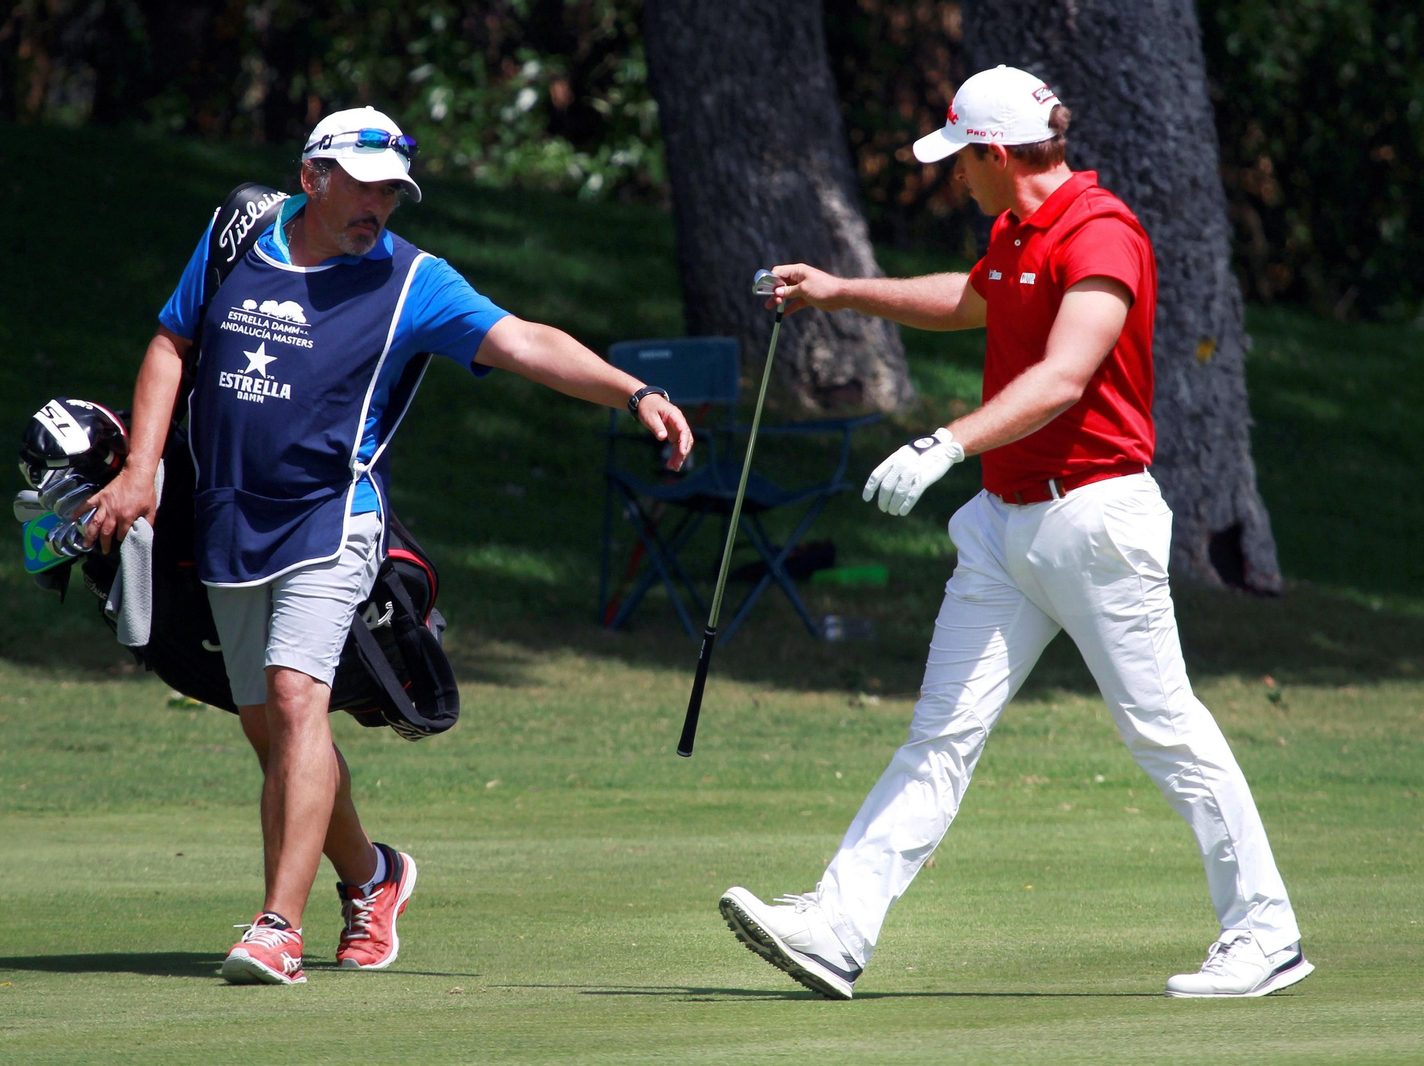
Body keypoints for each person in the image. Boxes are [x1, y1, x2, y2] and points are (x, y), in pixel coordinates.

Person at [718, 66, 1310, 1000]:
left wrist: (944, 441)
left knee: (1162, 730)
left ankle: (1265, 933)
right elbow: (969, 301)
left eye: (961, 159)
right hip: (1004, 527)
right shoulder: (1017, 231)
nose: (954, 175)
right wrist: (838, 291)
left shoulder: (1103, 230)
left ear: (996, 155)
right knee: (939, 735)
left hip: (1095, 518)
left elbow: (1068, 374)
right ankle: (837, 927)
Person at [84, 106, 693, 985]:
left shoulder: (414, 282)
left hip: (332, 521)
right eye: (364, 189)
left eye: (393, 193)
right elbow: (172, 340)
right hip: (225, 521)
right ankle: (375, 877)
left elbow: (525, 342)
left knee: (297, 704)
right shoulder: (239, 230)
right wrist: (141, 469)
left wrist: (634, 392)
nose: (380, 207)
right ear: (313, 179)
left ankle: (275, 929)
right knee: (274, 734)